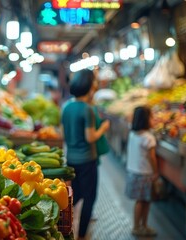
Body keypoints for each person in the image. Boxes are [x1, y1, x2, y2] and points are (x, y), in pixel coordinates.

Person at [61, 69, 110, 240]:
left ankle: (65, 226)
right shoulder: (87, 110)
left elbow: (64, 134)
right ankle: (82, 235)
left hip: (72, 158)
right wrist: (103, 128)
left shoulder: (66, 107)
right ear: (89, 86)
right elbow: (91, 137)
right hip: (87, 160)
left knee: (76, 194)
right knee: (89, 197)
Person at [125, 106, 159, 237]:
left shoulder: (132, 134)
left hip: (133, 173)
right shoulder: (148, 138)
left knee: (142, 201)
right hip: (144, 174)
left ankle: (142, 226)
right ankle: (138, 226)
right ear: (146, 120)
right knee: (143, 201)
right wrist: (156, 172)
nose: (154, 119)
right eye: (152, 117)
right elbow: (152, 158)